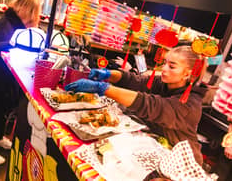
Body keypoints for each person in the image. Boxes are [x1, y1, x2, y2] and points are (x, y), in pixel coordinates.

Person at [65, 45, 208, 165]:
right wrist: (109, 74)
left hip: (181, 163)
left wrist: (103, 88)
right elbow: (136, 81)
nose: (164, 69)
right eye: (164, 63)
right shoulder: (164, 84)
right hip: (156, 150)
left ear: (187, 74)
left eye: (172, 66)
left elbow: (151, 105)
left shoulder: (190, 105)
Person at [0, 0, 41, 165]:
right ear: (28, 11)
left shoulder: (10, 21)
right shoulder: (9, 25)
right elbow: (4, 46)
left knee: (2, 110)